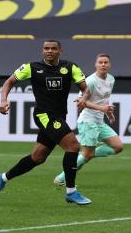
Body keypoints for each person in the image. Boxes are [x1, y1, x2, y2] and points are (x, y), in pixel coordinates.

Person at [0, 40, 92, 205]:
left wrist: (84, 98)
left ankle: (2, 178)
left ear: (60, 50)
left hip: (59, 116)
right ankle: (71, 192)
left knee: (37, 158)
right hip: (44, 115)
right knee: (73, 146)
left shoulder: (70, 67)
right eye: (46, 48)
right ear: (42, 51)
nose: (49, 51)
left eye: (53, 48)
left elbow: (85, 88)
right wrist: (3, 100)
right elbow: (9, 81)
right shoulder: (31, 67)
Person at [53, 54, 123, 185]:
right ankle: (60, 179)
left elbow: (104, 99)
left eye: (106, 62)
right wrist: (102, 108)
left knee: (118, 147)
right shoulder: (90, 81)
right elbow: (81, 101)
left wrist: (108, 113)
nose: (103, 64)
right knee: (87, 155)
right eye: (100, 62)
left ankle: (86, 153)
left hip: (99, 122)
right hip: (88, 121)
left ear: (109, 65)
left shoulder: (111, 79)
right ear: (95, 64)